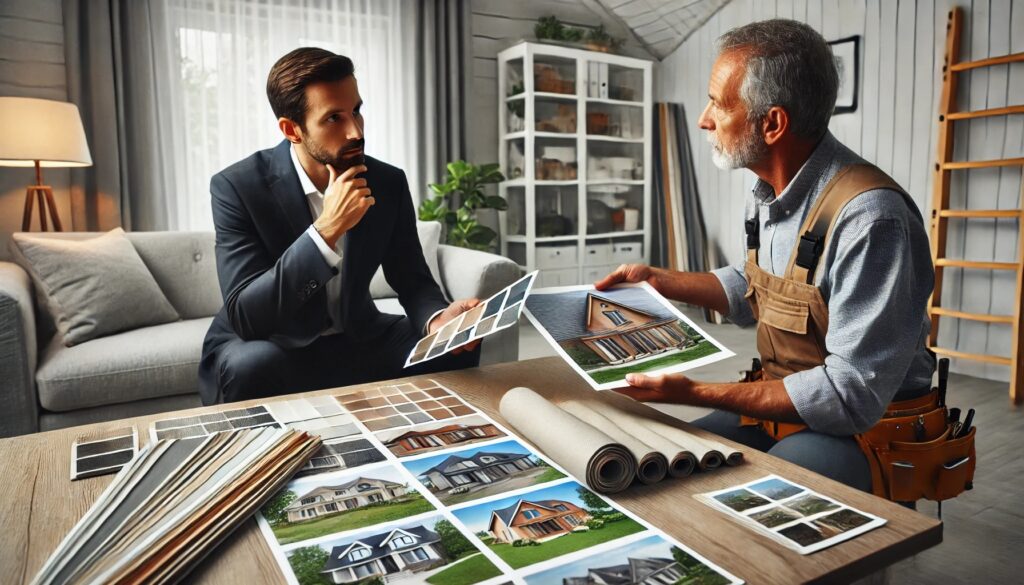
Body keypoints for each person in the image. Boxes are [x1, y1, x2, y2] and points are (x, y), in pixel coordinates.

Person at [599, 20, 935, 491]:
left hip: (862, 425)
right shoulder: (766, 191)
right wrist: (657, 281)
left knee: (749, 496)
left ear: (772, 124)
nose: (704, 119)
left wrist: (695, 393)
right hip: (783, 401)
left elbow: (850, 395)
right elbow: (753, 282)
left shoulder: (873, 220)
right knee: (661, 464)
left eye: (718, 102)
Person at [198, 47, 480, 405]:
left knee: (454, 348)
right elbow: (246, 317)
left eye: (357, 111)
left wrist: (437, 319)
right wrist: (326, 230)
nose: (355, 132)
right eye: (334, 118)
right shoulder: (237, 187)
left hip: (356, 336)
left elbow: (411, 277)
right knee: (253, 365)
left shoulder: (387, 181)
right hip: (272, 343)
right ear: (292, 129)